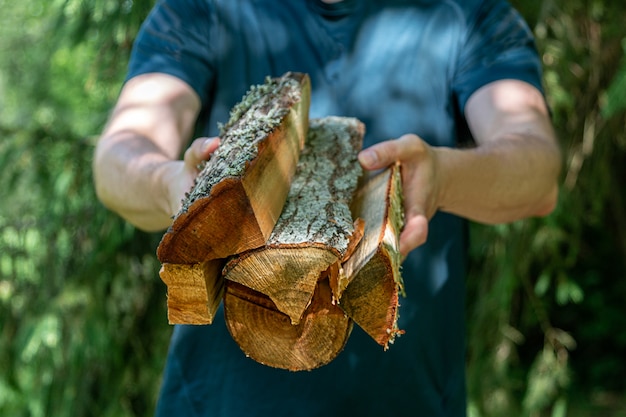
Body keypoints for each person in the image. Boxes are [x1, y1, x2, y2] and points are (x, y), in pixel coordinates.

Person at [93, 0, 561, 416]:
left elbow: (537, 172)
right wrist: (177, 187)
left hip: (407, 400)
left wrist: (443, 177)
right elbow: (118, 159)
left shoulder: (470, 13)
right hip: (215, 400)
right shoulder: (201, 8)